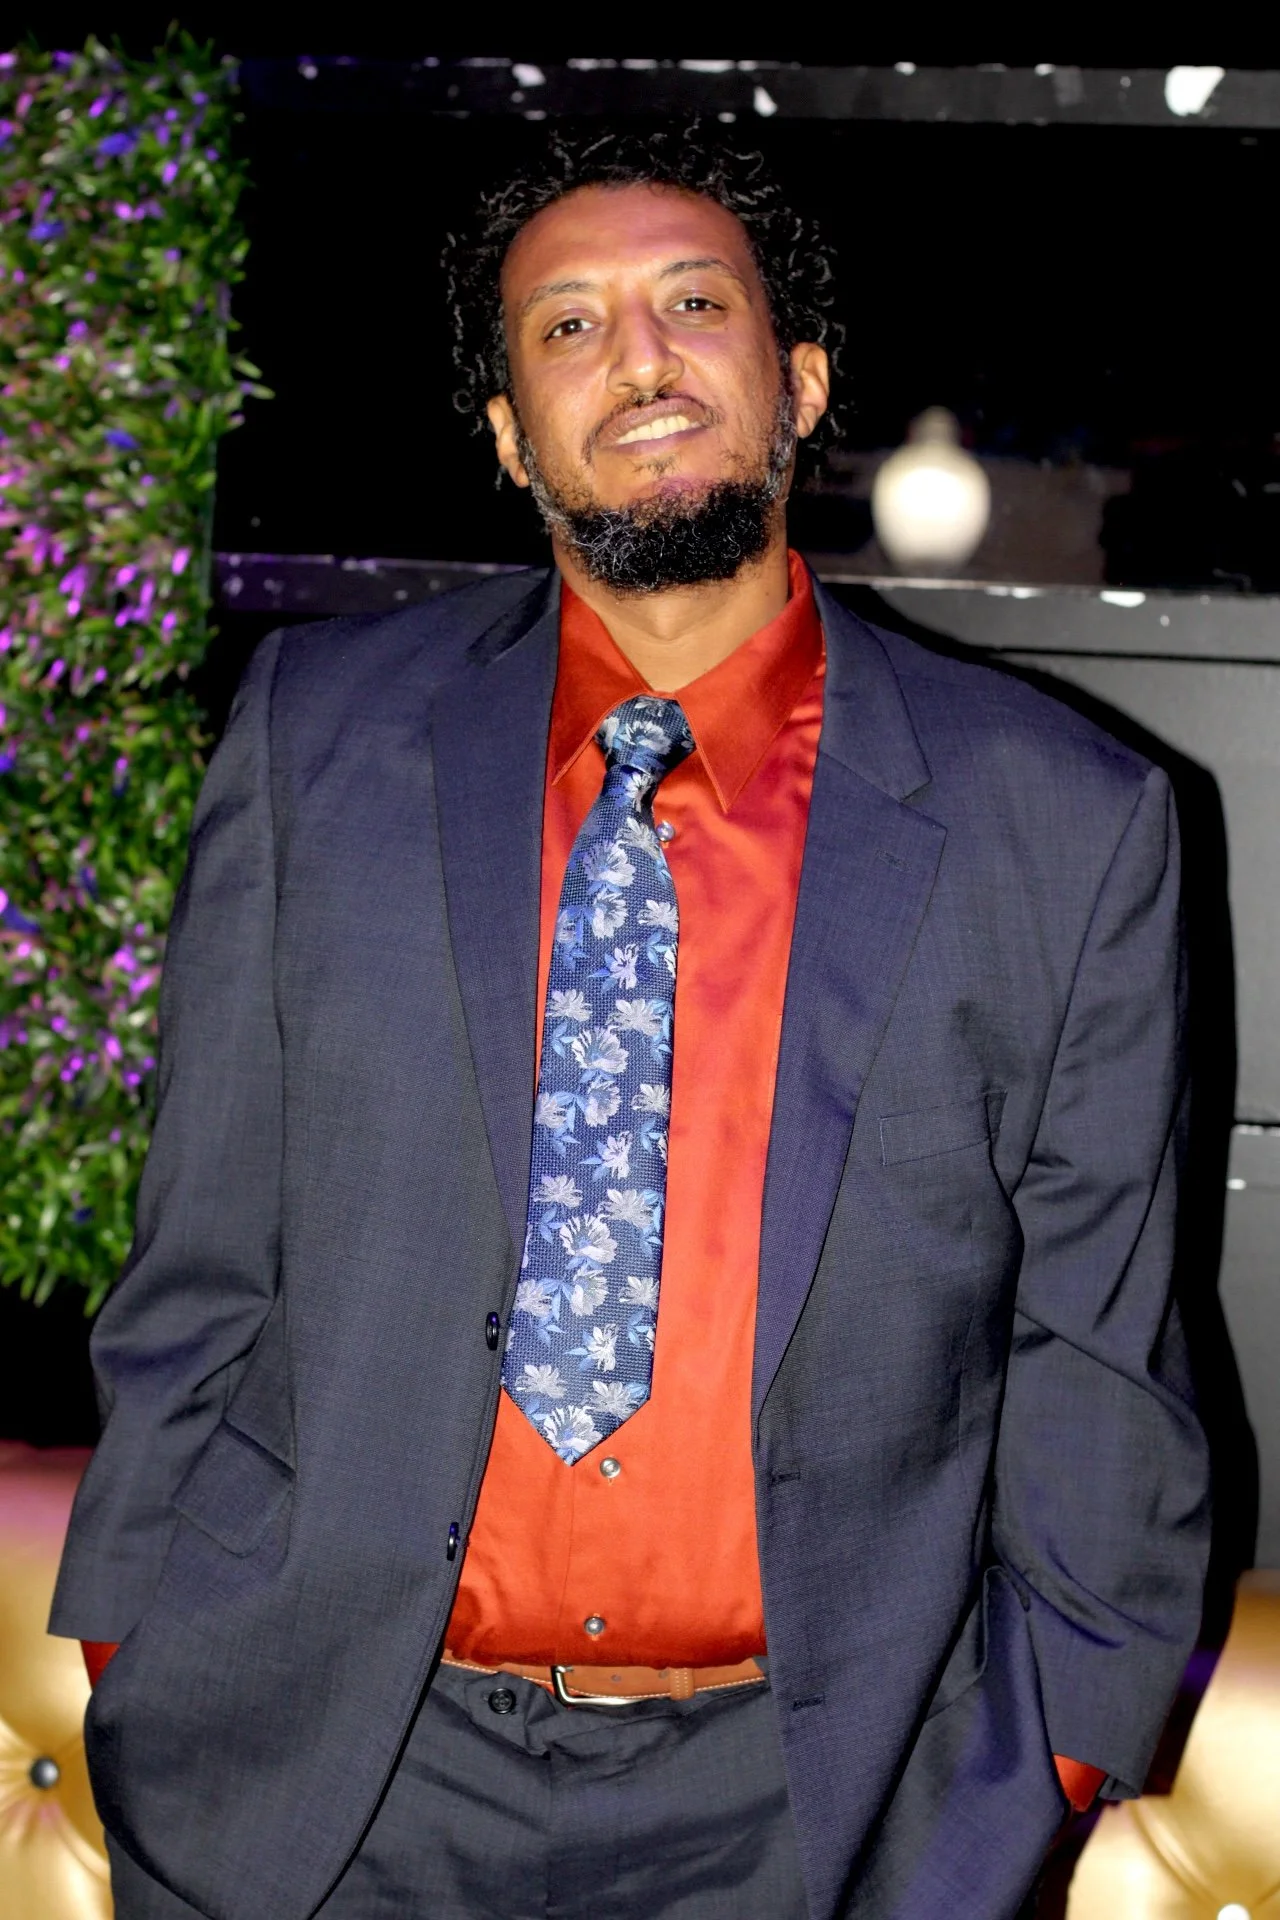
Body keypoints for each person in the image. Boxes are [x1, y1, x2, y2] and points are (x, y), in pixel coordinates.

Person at [52, 126, 1210, 1920]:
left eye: (693, 304)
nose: (641, 358)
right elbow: (199, 1257)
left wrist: (1043, 1760)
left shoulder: (1062, 819)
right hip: (326, 1778)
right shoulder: (314, 739)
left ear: (800, 381)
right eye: (569, 327)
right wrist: (146, 1637)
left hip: (824, 1811)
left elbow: (1099, 1354)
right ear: (511, 435)